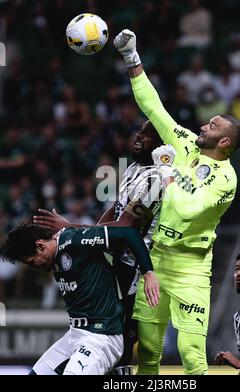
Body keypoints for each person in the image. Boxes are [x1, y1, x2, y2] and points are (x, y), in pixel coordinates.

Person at [113, 29, 240, 375]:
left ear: (225, 141)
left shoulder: (225, 180)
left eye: (212, 125)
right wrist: (132, 58)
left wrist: (167, 174)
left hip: (192, 268)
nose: (203, 125)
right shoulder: (186, 142)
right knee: (149, 353)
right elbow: (153, 108)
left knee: (192, 357)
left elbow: (187, 209)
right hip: (155, 260)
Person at [33, 120, 164, 374]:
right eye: (139, 131)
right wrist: (90, 236)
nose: (139, 136)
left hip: (133, 267)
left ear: (161, 144)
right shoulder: (132, 169)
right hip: (112, 259)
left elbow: (126, 225)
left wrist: (71, 226)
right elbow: (114, 211)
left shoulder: (155, 180)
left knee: (126, 344)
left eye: (148, 134)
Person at [0, 223, 159, 375]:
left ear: (40, 245)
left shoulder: (76, 241)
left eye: (32, 262)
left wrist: (149, 272)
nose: (35, 266)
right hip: (75, 335)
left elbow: (128, 233)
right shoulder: (56, 253)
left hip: (101, 336)